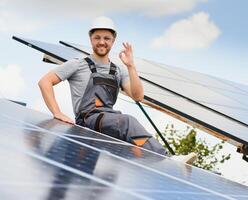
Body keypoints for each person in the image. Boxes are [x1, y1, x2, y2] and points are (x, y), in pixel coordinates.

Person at [38, 16, 196, 164]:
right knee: (127, 121)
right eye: (97, 37)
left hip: (108, 123)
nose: (102, 42)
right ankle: (167, 160)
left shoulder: (117, 70)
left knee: (117, 162)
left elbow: (138, 96)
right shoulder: (78, 64)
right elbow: (45, 82)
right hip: (88, 121)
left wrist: (131, 66)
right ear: (90, 39)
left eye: (106, 38)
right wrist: (57, 112)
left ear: (113, 41)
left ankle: (157, 164)